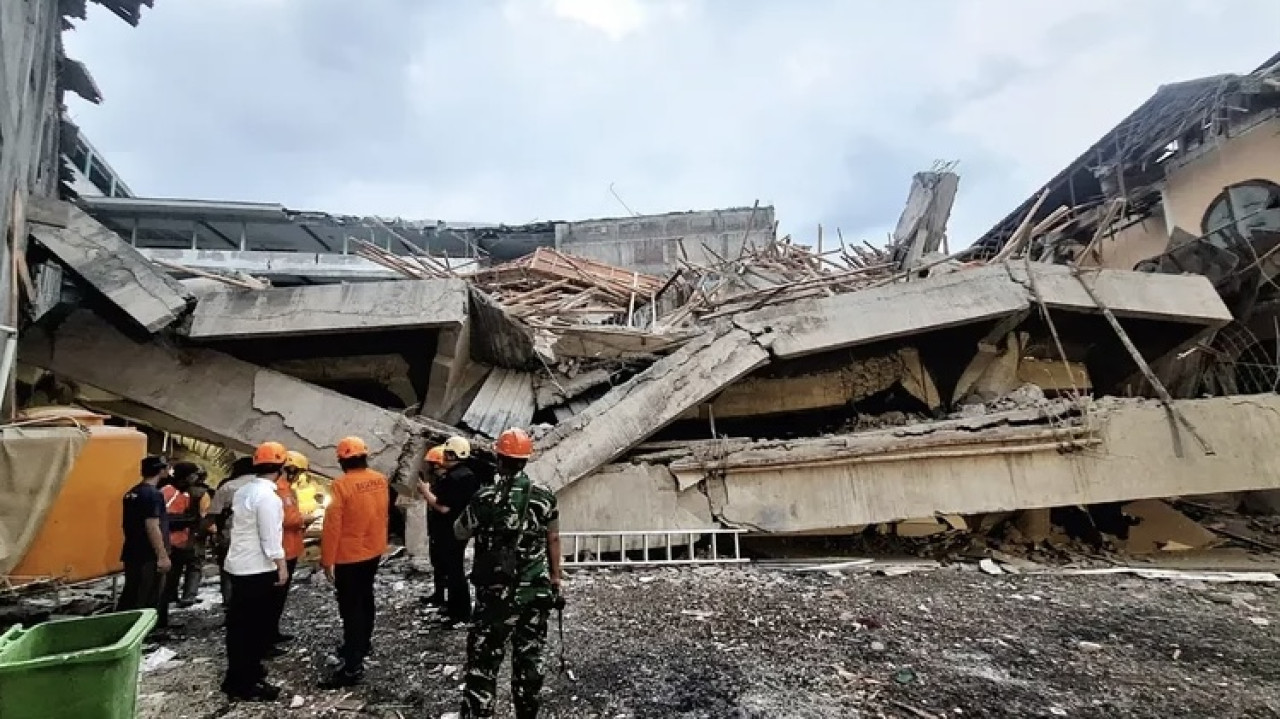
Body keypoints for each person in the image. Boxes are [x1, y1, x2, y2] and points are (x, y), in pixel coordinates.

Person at [455, 428, 562, 719]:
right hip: (535, 592)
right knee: (529, 660)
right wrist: (556, 578)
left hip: (496, 595)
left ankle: (480, 713)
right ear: (526, 460)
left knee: (484, 663)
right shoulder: (544, 497)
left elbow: (459, 530)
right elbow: (553, 538)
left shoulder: (485, 497)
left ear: (499, 459)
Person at [221, 441, 290, 702]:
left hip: (238, 566)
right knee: (253, 628)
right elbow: (270, 537)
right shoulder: (268, 498)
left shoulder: (244, 491)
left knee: (239, 626)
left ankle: (239, 674)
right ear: (280, 469)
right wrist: (281, 565)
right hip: (257, 569)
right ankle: (245, 682)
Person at [318, 436, 390, 688]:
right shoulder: (380, 479)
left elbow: (332, 525)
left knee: (351, 608)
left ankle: (352, 666)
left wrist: (327, 560)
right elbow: (382, 514)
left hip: (349, 555)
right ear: (364, 456)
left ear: (342, 461)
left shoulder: (340, 486)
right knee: (366, 598)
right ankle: (362, 644)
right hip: (373, 550)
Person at [420, 436, 480, 627]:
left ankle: (459, 613)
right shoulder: (466, 475)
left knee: (455, 572)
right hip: (456, 529)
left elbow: (443, 507)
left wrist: (425, 492)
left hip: (449, 530)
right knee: (453, 570)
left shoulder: (455, 478)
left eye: (447, 453)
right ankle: (454, 609)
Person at [267, 450, 312, 650]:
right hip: (282, 548)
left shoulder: (287, 490)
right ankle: (266, 638)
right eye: (298, 471)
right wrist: (304, 520)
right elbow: (286, 519)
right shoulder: (279, 490)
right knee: (273, 597)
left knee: (279, 597)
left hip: (290, 547)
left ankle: (272, 632)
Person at [117, 455, 173, 613]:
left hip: (132, 550)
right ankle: (142, 632)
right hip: (148, 554)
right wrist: (162, 555)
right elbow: (152, 526)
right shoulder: (153, 495)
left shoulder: (131, 493)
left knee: (132, 592)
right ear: (161, 470)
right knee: (147, 596)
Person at [205, 456, 258, 607]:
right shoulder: (265, 486)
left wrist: (215, 534)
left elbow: (213, 514)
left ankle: (230, 606)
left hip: (230, 536)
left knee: (228, 572)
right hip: (256, 537)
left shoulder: (228, 487)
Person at [158, 463, 200, 631]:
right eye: (193, 475)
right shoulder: (168, 492)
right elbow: (163, 519)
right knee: (163, 587)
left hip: (180, 545)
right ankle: (159, 623)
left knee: (170, 585)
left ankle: (164, 620)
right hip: (169, 545)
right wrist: (187, 520)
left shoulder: (186, 494)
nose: (196, 478)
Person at [419, 445, 448, 609]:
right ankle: (439, 595)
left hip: (445, 530)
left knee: (445, 566)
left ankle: (445, 599)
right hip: (436, 528)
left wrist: (426, 492)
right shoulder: (441, 481)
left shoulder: (449, 482)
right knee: (437, 564)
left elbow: (441, 505)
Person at [179, 469, 213, 607]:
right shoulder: (202, 493)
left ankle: (169, 595)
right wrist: (210, 531)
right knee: (194, 565)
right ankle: (189, 595)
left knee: (175, 566)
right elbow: (205, 514)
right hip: (195, 533)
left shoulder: (175, 490)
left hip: (176, 533)